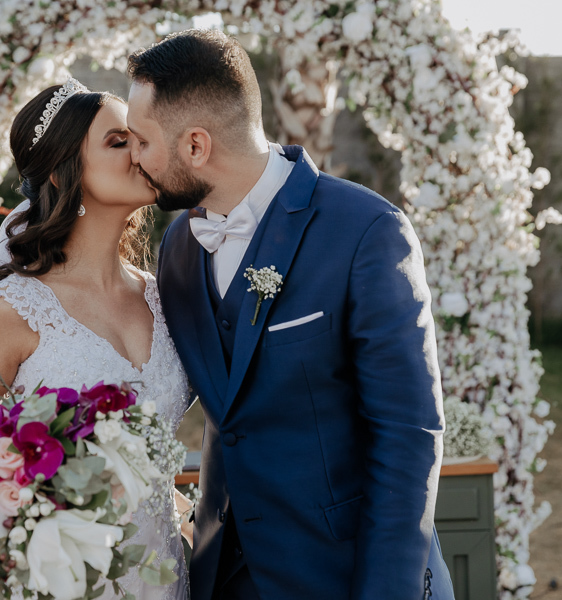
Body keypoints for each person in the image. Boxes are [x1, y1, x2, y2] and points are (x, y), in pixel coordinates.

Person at [126, 29, 455, 600]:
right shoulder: (179, 247)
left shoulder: (367, 232)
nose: (133, 157)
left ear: (196, 145)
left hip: (345, 574)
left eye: (141, 140)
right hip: (223, 577)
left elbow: (408, 436)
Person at [0, 80, 191, 600]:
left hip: (161, 573)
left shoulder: (165, 297)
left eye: (140, 139)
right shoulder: (15, 311)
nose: (140, 153)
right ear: (60, 170)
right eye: (118, 142)